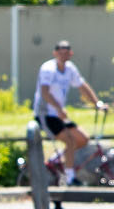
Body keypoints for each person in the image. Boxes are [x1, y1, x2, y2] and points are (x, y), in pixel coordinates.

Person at [35, 40, 108, 183]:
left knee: (83, 139)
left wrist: (97, 103)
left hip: (59, 115)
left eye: (66, 53)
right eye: (60, 53)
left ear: (70, 54)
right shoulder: (48, 69)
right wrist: (58, 108)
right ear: (55, 53)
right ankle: (69, 178)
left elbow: (82, 86)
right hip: (46, 114)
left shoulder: (70, 69)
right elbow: (44, 92)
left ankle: (58, 160)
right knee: (70, 141)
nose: (63, 56)